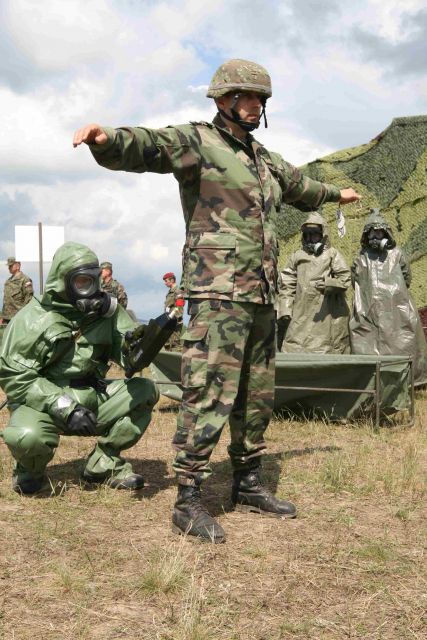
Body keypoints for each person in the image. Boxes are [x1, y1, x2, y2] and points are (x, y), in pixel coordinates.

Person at [73, 58, 361, 543]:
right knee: (208, 392)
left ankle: (247, 483)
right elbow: (150, 145)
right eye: (246, 97)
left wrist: (337, 194)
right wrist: (108, 141)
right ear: (223, 99)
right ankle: (188, 498)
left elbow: (301, 186)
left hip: (262, 294)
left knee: (256, 395)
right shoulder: (199, 142)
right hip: (217, 293)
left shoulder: (264, 160)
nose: (255, 105)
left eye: (261, 99)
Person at [0, 242, 158, 495]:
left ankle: (103, 464)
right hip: (44, 403)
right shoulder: (30, 319)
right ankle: (30, 470)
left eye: (93, 280)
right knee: (26, 435)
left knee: (145, 391)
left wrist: (139, 347)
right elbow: (16, 377)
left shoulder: (106, 314)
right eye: (81, 281)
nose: (89, 288)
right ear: (63, 280)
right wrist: (66, 408)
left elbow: (128, 357)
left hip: (92, 396)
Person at [350, 209, 427, 383]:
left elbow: (406, 278)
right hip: (368, 311)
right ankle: (372, 382)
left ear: (386, 233)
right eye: (371, 233)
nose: (375, 237)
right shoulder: (360, 258)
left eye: (378, 232)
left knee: (403, 340)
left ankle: (407, 380)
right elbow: (355, 281)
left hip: (397, 308)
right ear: (366, 235)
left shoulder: (397, 254)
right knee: (367, 342)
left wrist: (396, 296)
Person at [277, 212, 351, 353]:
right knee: (295, 344)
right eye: (308, 235)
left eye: (315, 235)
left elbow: (345, 278)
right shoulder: (297, 256)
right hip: (300, 309)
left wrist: (329, 284)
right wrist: (285, 308)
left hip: (324, 310)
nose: (311, 239)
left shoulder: (332, 254)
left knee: (322, 345)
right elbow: (287, 283)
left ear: (323, 235)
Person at [1, 257, 33, 324]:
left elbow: (28, 299)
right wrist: (3, 317)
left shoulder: (25, 280)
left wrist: (23, 315)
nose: (9, 268)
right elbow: (6, 300)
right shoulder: (8, 281)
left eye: (11, 266)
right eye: (8, 266)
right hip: (7, 318)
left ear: (18, 266)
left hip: (18, 317)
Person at [163, 271, 184, 350]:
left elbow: (179, 306)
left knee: (175, 344)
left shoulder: (178, 291)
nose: (165, 283)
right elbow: (168, 306)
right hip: (169, 320)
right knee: (168, 344)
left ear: (172, 280)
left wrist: (174, 318)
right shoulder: (170, 292)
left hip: (175, 321)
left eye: (166, 281)